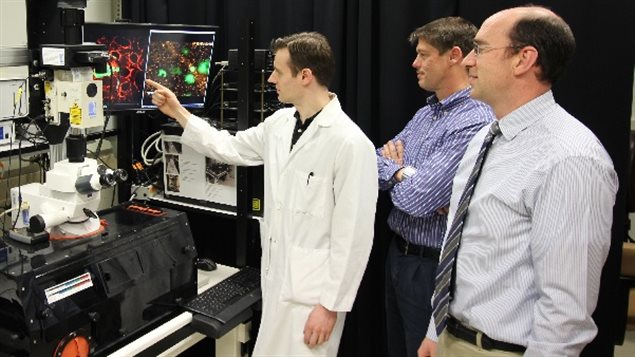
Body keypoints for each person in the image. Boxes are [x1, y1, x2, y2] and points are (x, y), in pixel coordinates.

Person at [146, 32, 378, 356]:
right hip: (277, 282)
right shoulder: (280, 124)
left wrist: (330, 306)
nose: (271, 79)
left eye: (279, 72)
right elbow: (229, 147)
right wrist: (179, 113)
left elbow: (354, 236)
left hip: (313, 299)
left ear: (305, 76)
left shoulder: (351, 144)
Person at [418, 5, 618, 357]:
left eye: (479, 50)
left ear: (523, 59)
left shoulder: (570, 159)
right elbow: (464, 246)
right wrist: (438, 332)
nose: (467, 62)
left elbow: (565, 315)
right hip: (454, 338)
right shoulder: (485, 138)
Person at [377, 17, 493, 357]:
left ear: (455, 55)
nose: (415, 63)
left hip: (432, 268)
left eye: (424, 55)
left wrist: (397, 171)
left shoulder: (475, 118)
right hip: (398, 257)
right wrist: (405, 172)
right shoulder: (426, 114)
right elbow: (371, 162)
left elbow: (416, 199)